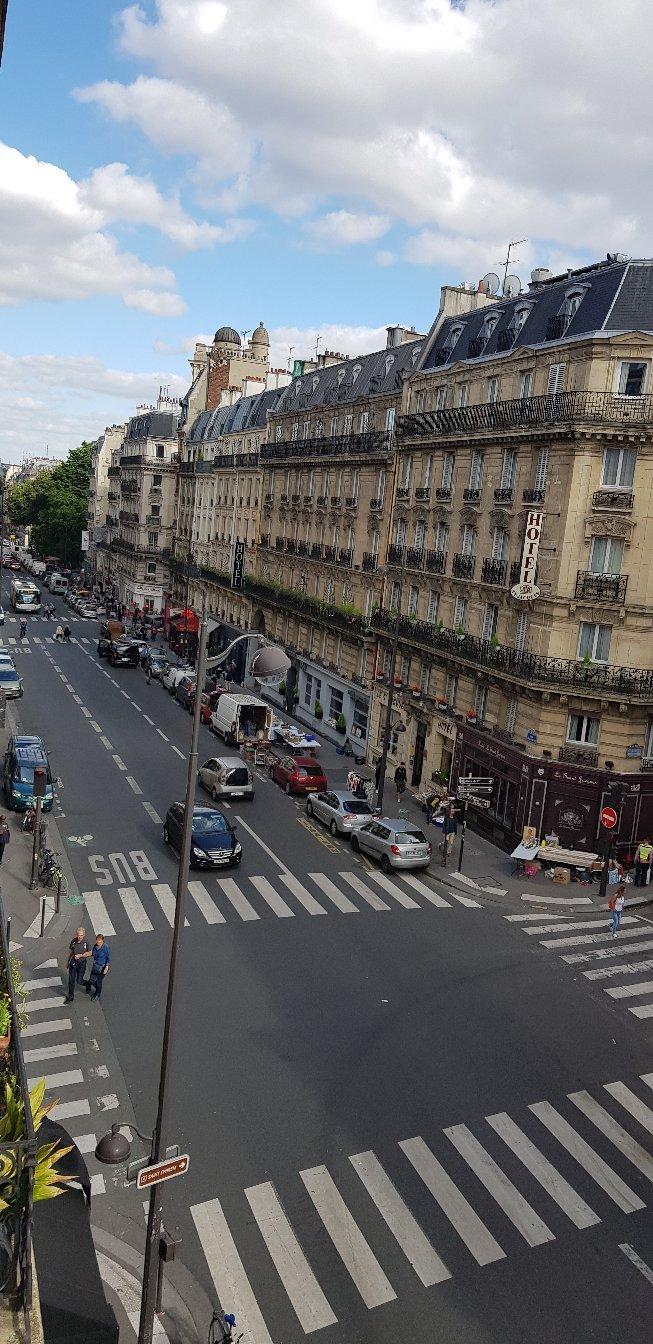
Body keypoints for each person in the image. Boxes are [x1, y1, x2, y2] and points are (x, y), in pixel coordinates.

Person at [64, 927, 91, 1003]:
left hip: (82, 964)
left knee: (79, 981)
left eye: (81, 935)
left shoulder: (86, 943)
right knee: (71, 980)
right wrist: (67, 962)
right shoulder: (73, 941)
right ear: (76, 935)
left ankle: (87, 984)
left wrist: (81, 956)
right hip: (73, 963)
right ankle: (70, 996)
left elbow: (90, 953)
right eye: (79, 935)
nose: (80, 937)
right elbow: (71, 953)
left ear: (84, 935)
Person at [85, 934, 110, 1001]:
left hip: (102, 967)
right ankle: (98, 988)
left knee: (98, 982)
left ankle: (97, 994)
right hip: (95, 966)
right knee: (91, 980)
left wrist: (106, 967)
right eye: (97, 941)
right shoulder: (95, 946)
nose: (98, 942)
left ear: (103, 940)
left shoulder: (105, 947)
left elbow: (108, 957)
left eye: (99, 941)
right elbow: (93, 953)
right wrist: (84, 955)